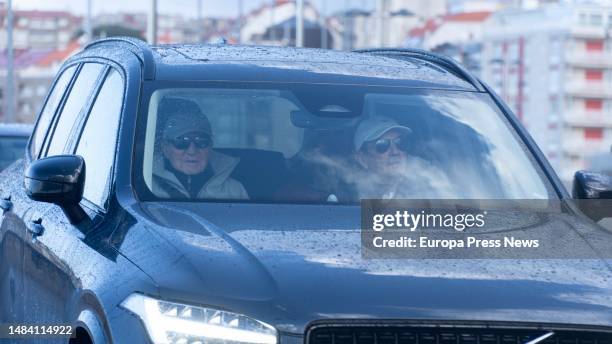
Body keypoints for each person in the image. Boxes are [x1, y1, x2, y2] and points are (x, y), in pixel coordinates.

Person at [151, 98, 248, 200]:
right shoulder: (146, 186)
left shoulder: (234, 190)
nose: (192, 151)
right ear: (165, 149)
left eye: (201, 142)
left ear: (210, 147)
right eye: (182, 142)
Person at [352, 116, 415, 199]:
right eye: (382, 145)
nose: (395, 152)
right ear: (362, 159)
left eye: (400, 143)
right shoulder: (344, 199)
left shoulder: (427, 192)